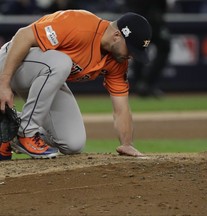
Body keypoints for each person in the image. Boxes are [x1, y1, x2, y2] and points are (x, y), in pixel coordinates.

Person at [0, 10, 152, 160]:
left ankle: (9, 132)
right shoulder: (80, 25)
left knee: (73, 143)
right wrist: (4, 83)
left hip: (45, 75)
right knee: (61, 62)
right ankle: (26, 133)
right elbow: (23, 35)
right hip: (12, 61)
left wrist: (126, 144)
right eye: (131, 49)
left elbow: (121, 108)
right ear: (117, 36)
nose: (132, 55)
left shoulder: (118, 62)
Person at [124, 0, 171, 98]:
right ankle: (145, 84)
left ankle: (143, 84)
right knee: (142, 51)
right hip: (150, 22)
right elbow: (164, 6)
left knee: (143, 51)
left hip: (142, 22)